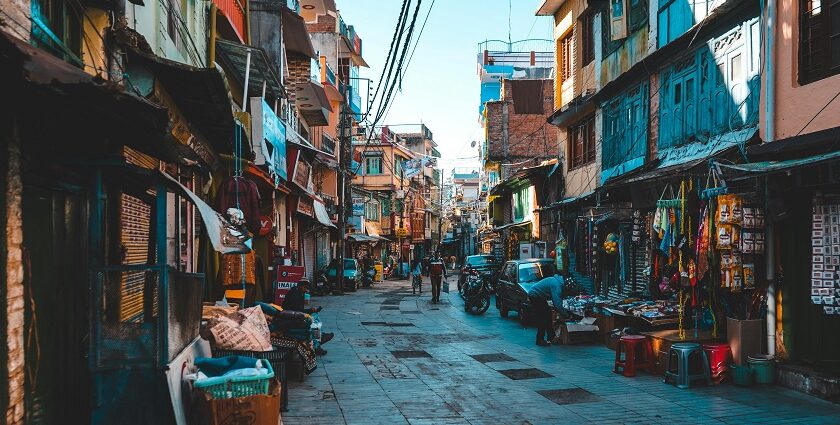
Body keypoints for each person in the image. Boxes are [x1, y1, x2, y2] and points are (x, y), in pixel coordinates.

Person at [283, 279, 334, 354]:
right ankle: (316, 343)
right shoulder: (294, 294)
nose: (306, 290)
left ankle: (319, 337)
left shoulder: (299, 293)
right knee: (314, 320)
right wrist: (309, 311)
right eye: (305, 287)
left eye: (307, 288)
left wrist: (310, 310)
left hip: (296, 314)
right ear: (300, 286)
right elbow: (297, 310)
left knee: (316, 316)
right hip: (293, 316)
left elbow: (299, 309)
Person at [526, 273, 565, 346]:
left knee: (547, 314)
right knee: (542, 317)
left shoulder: (556, 281)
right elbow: (557, 304)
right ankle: (540, 339)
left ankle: (551, 337)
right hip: (535, 296)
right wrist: (565, 314)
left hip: (538, 295)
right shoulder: (557, 285)